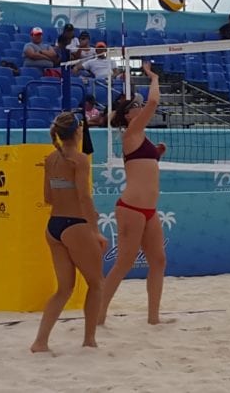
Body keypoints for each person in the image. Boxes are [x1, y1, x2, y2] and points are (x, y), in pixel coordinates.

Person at [30, 111, 107, 353]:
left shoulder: (51, 158)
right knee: (96, 284)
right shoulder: (79, 159)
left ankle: (40, 341)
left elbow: (48, 197)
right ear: (77, 131)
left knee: (64, 289)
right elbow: (84, 197)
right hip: (76, 225)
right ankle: (89, 340)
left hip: (54, 226)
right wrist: (95, 230)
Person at [99, 62, 168, 326]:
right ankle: (98, 315)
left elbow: (141, 165)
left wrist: (157, 153)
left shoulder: (140, 137)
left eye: (139, 105)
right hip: (131, 208)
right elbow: (154, 102)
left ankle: (153, 318)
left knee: (158, 261)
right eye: (136, 106)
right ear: (129, 115)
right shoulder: (131, 132)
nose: (141, 107)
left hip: (148, 209)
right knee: (124, 263)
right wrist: (153, 77)